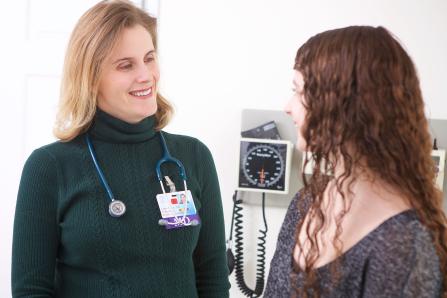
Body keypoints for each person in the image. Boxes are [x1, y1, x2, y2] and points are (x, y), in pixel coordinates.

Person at [11, 1, 230, 297]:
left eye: (149, 58)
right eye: (126, 65)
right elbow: (31, 290)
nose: (146, 75)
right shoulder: (49, 167)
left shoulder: (192, 157)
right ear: (90, 78)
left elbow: (212, 279)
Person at [264, 26, 446, 298]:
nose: (288, 106)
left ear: (344, 105)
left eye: (299, 90)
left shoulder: (406, 242)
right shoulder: (304, 204)